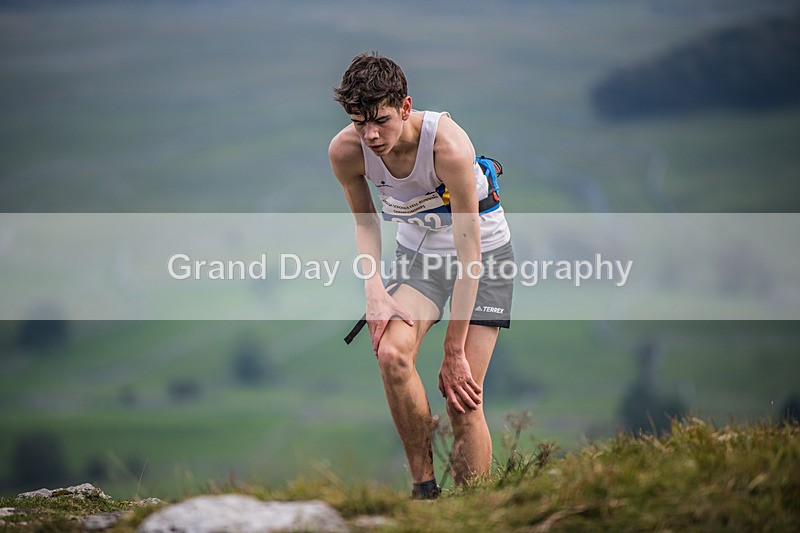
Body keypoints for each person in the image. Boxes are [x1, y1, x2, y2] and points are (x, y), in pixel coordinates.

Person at [328, 53, 514, 499]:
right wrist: (374, 291)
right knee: (392, 354)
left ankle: (476, 512)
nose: (371, 135)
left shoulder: (448, 146)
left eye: (381, 121)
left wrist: (454, 351)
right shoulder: (346, 152)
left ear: (406, 107)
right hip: (421, 254)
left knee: (462, 394)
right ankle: (425, 491)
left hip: (482, 253)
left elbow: (471, 252)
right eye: (359, 122)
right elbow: (366, 222)